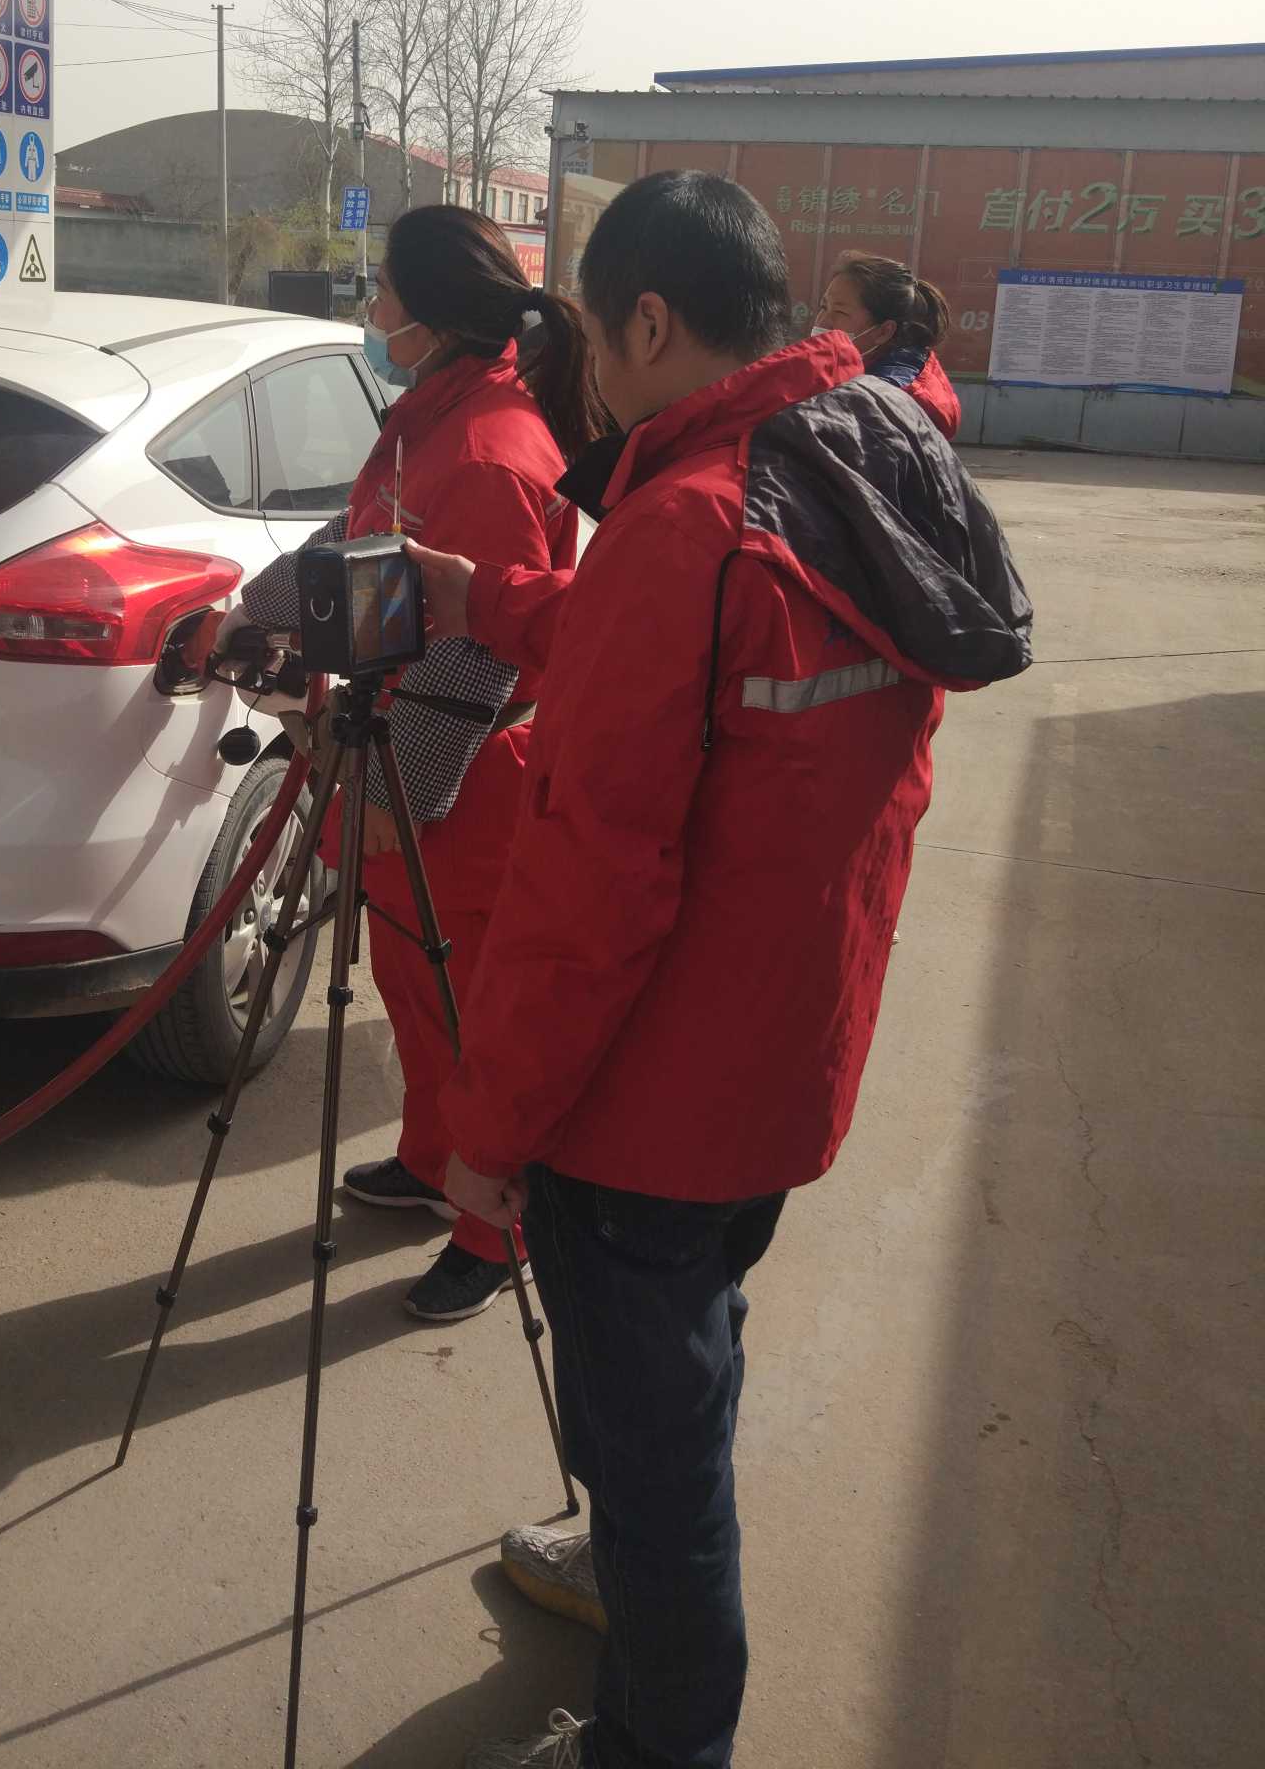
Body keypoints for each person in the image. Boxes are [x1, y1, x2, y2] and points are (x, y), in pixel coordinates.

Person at [404, 173, 1030, 1766]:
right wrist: (504, 600)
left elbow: (589, 888)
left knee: (656, 1452)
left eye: (592, 336)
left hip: (645, 1112)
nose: (584, 376)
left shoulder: (688, 520)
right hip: (784, 1053)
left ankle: (657, 1735)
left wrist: (489, 1127)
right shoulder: (862, 450)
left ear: (650, 320)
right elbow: (696, 668)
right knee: (688, 1362)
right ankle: (628, 1569)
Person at [238, 203, 606, 1323]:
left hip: (460, 776)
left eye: (385, 290)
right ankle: (433, 1155)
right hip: (394, 758)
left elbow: (481, 645)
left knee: (474, 1009)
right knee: (411, 986)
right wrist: (251, 618)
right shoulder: (430, 417)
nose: (372, 310)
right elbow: (359, 551)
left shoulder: (491, 448)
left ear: (434, 315)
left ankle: (497, 1231)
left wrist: (410, 785)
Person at [813, 249, 962, 436]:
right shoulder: (859, 374)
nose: (822, 322)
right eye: (823, 307)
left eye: (840, 312)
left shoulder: (890, 404)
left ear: (884, 331)